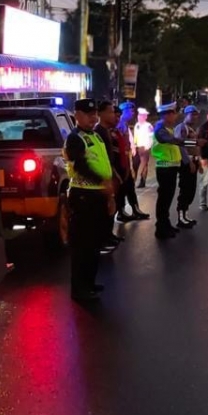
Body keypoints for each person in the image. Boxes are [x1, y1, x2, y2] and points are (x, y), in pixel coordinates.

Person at [63, 98, 114, 302]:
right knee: (82, 245)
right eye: (88, 114)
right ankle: (79, 289)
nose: (93, 117)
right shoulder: (75, 138)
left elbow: (104, 162)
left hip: (98, 194)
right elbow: (81, 167)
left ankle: (90, 283)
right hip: (83, 196)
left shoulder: (96, 136)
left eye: (94, 114)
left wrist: (109, 193)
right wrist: (102, 181)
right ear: (77, 115)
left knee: (94, 243)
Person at [151, 103, 186, 240]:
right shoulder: (160, 129)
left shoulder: (167, 128)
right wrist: (192, 143)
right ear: (167, 115)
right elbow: (170, 141)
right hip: (165, 168)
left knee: (167, 198)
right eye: (173, 113)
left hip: (170, 167)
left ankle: (166, 224)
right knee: (164, 199)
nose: (176, 116)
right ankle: (160, 228)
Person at [93, 100, 124, 248]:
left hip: (111, 172)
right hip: (104, 175)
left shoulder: (107, 131)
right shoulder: (98, 131)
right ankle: (102, 239)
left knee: (112, 205)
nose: (114, 115)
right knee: (105, 208)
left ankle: (109, 235)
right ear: (101, 113)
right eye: (111, 112)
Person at [114, 102, 149, 221]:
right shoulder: (118, 125)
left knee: (129, 185)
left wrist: (132, 147)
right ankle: (121, 211)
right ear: (124, 111)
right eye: (131, 111)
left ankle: (134, 209)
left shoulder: (125, 124)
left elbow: (129, 140)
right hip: (119, 161)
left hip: (125, 159)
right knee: (123, 186)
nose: (133, 113)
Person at [174, 105, 201, 228]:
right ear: (186, 114)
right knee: (185, 189)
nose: (195, 117)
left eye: (196, 115)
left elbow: (194, 147)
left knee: (191, 190)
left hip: (193, 161)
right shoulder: (182, 128)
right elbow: (181, 145)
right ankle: (180, 217)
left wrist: (198, 162)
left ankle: (185, 214)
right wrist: (188, 162)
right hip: (186, 163)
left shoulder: (191, 129)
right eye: (193, 114)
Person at [132, 107, 154, 188]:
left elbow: (152, 137)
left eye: (141, 115)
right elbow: (135, 136)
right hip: (137, 147)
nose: (139, 117)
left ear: (145, 117)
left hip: (144, 148)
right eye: (138, 115)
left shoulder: (148, 126)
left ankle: (142, 181)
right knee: (135, 164)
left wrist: (147, 147)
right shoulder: (137, 125)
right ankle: (134, 180)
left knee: (144, 166)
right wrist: (134, 145)